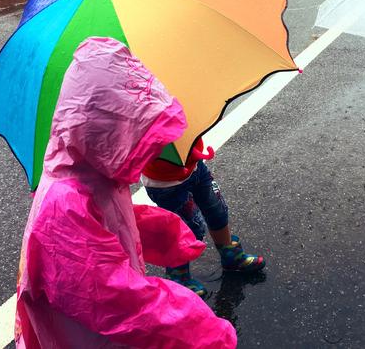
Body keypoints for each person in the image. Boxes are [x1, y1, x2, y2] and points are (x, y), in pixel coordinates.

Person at [15, 37, 236, 348]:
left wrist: (161, 230)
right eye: (136, 138)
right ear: (106, 131)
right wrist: (196, 327)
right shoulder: (64, 201)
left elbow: (107, 222)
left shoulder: (95, 173)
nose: (146, 153)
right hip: (83, 335)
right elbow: (111, 299)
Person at [141, 141, 265, 297]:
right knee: (187, 229)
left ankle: (230, 255)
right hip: (165, 184)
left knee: (217, 209)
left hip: (196, 167)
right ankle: (179, 275)